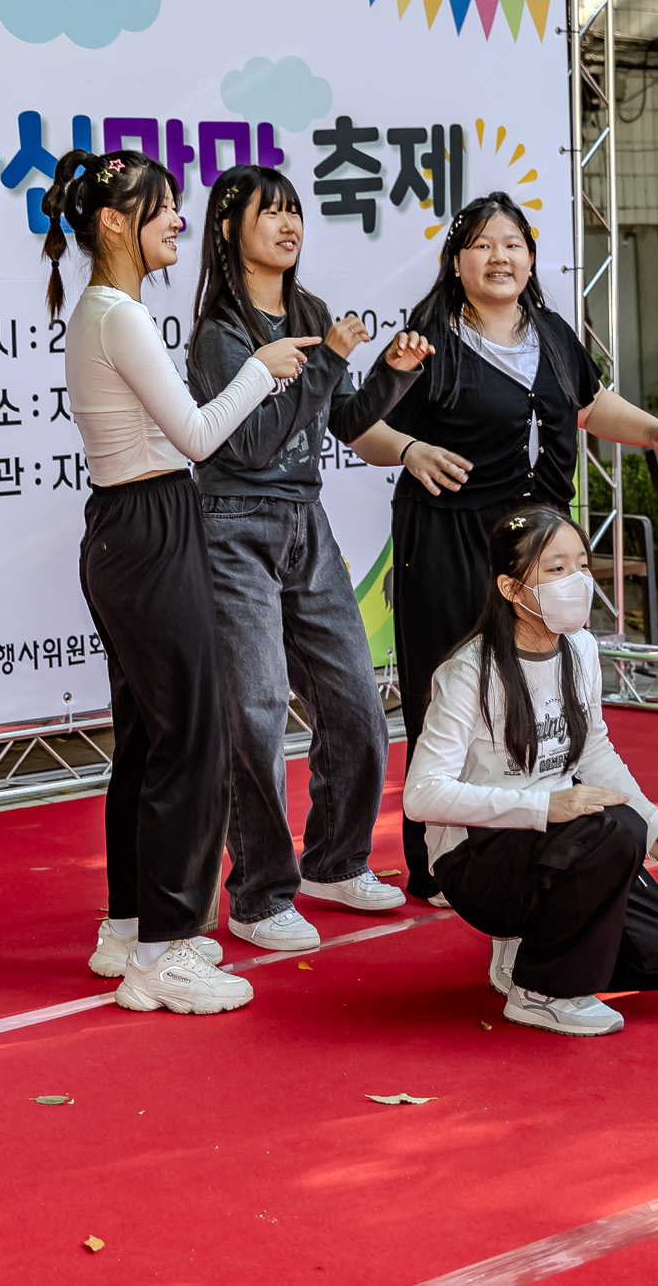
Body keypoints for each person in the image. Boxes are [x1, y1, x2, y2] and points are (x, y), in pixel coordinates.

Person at [346, 193, 658, 905]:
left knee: (541, 684)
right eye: (482, 244)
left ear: (531, 257)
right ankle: (441, 859)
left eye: (513, 243)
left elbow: (591, 406)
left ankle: (533, 826)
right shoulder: (429, 334)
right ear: (456, 261)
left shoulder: (555, 333)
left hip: (538, 542)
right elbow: (361, 428)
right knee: (448, 688)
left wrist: (653, 429)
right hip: (448, 537)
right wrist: (410, 449)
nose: (500, 256)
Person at [41, 147, 321, 1016]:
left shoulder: (102, 311)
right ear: (116, 222)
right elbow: (200, 436)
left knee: (152, 738)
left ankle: (132, 927)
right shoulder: (116, 314)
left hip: (134, 527)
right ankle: (159, 951)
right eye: (162, 207)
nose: (176, 222)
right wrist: (261, 368)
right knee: (192, 736)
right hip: (150, 528)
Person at [187, 165, 433, 952]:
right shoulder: (222, 332)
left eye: (296, 213)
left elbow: (345, 421)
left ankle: (335, 858)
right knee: (255, 711)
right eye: (273, 213)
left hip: (305, 521)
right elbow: (252, 443)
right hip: (232, 524)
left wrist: (392, 373)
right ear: (230, 229)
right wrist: (325, 358)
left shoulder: (311, 311)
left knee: (358, 700)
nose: (290, 226)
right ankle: (258, 894)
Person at [403, 503, 658, 1036]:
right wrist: (546, 806)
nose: (577, 580)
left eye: (582, 564)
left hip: (560, 847)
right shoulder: (468, 672)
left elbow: (595, 754)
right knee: (615, 830)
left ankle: (532, 949)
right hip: (480, 858)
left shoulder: (582, 649)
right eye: (556, 569)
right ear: (510, 588)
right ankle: (542, 989)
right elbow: (421, 796)